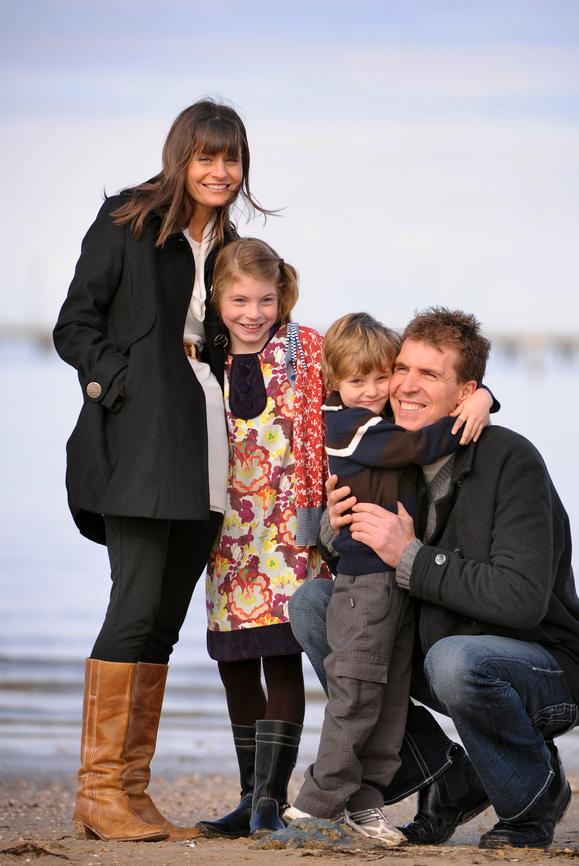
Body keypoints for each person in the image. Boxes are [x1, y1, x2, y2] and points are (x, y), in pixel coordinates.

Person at [289, 307, 579, 851]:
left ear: (465, 394)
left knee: (456, 661)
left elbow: (521, 601)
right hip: (441, 646)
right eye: (402, 369)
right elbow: (374, 588)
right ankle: (443, 775)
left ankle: (533, 798)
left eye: (429, 376)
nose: (406, 386)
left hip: (545, 666)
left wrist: (409, 554)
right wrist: (333, 532)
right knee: (318, 606)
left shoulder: (511, 460)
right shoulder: (391, 451)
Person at [53, 99, 268, 842]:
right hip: (139, 442)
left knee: (164, 626)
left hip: (209, 443)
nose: (220, 170)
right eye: (207, 156)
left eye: (231, 157)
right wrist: (118, 385)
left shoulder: (233, 244)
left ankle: (130, 793)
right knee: (135, 610)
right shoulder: (129, 220)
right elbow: (74, 323)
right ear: (182, 157)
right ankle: (98, 792)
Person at [289, 313, 494, 846]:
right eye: (360, 381)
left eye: (384, 377)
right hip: (365, 584)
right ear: (334, 383)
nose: (377, 390)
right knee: (356, 694)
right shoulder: (351, 426)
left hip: (397, 583)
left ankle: (366, 803)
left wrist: (479, 392)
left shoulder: (371, 419)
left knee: (390, 697)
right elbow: (424, 445)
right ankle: (316, 804)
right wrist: (482, 402)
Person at [194, 239, 331, 840]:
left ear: (283, 297)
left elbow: (379, 372)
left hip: (289, 539)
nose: (252, 312)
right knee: (233, 668)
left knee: (281, 662)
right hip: (226, 541)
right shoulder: (199, 360)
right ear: (217, 299)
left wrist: (481, 392)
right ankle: (249, 794)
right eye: (239, 299)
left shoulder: (307, 351)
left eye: (265, 300)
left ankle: (271, 801)